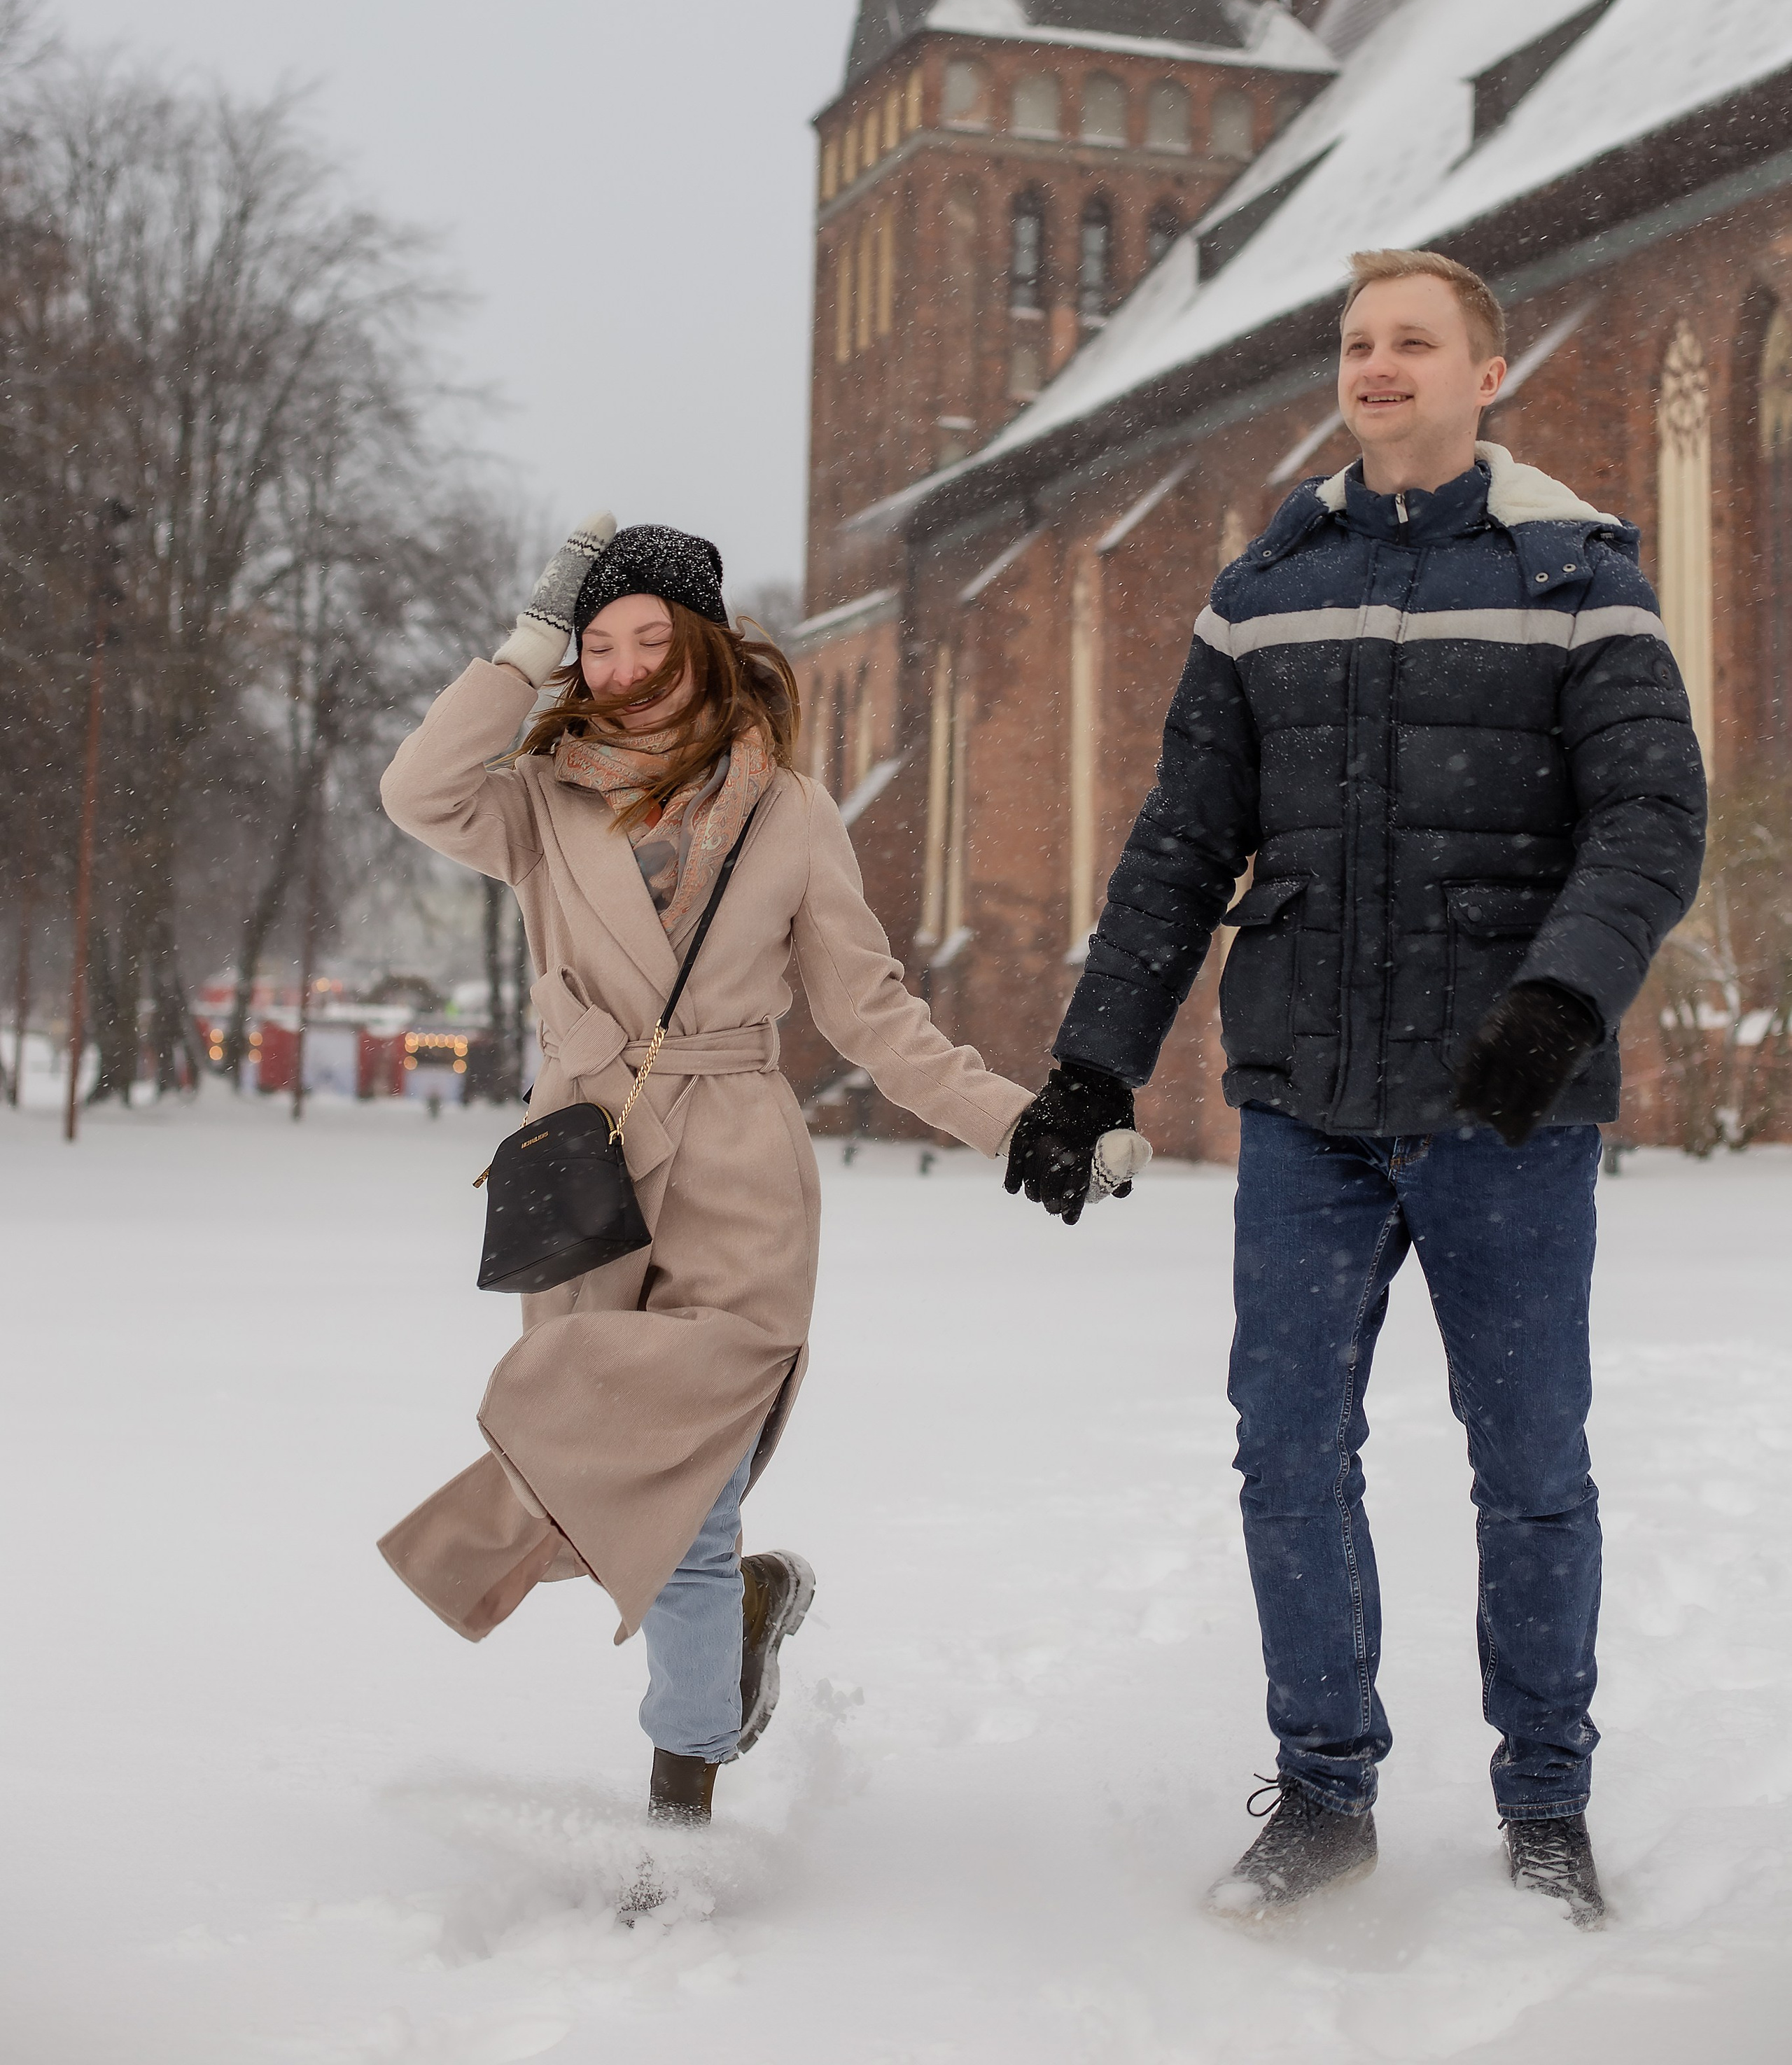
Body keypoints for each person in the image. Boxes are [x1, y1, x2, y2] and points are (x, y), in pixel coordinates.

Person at [1004, 251, 1706, 1928]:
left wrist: (1557, 998)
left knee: (1528, 1462)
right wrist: (1091, 1062)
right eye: (1355, 343)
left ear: (1485, 376)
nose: (1375, 367)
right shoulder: (1264, 586)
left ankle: (1545, 1801)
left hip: (1502, 1108)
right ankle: (1324, 1789)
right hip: (1306, 1102)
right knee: (1286, 1450)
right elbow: (1181, 847)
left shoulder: (1575, 575)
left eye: (1411, 342)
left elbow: (1648, 821)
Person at [378, 516, 1030, 1849]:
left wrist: (1018, 1126)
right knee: (603, 1457)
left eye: (648, 639)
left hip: (736, 1166)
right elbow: (417, 789)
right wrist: (526, 641)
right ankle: (731, 1638)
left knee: (692, 1500)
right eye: (597, 644)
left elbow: (873, 1014)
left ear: (709, 647)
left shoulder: (788, 813)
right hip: (585, 1167)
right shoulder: (539, 800)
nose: (620, 669)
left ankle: (679, 1814)